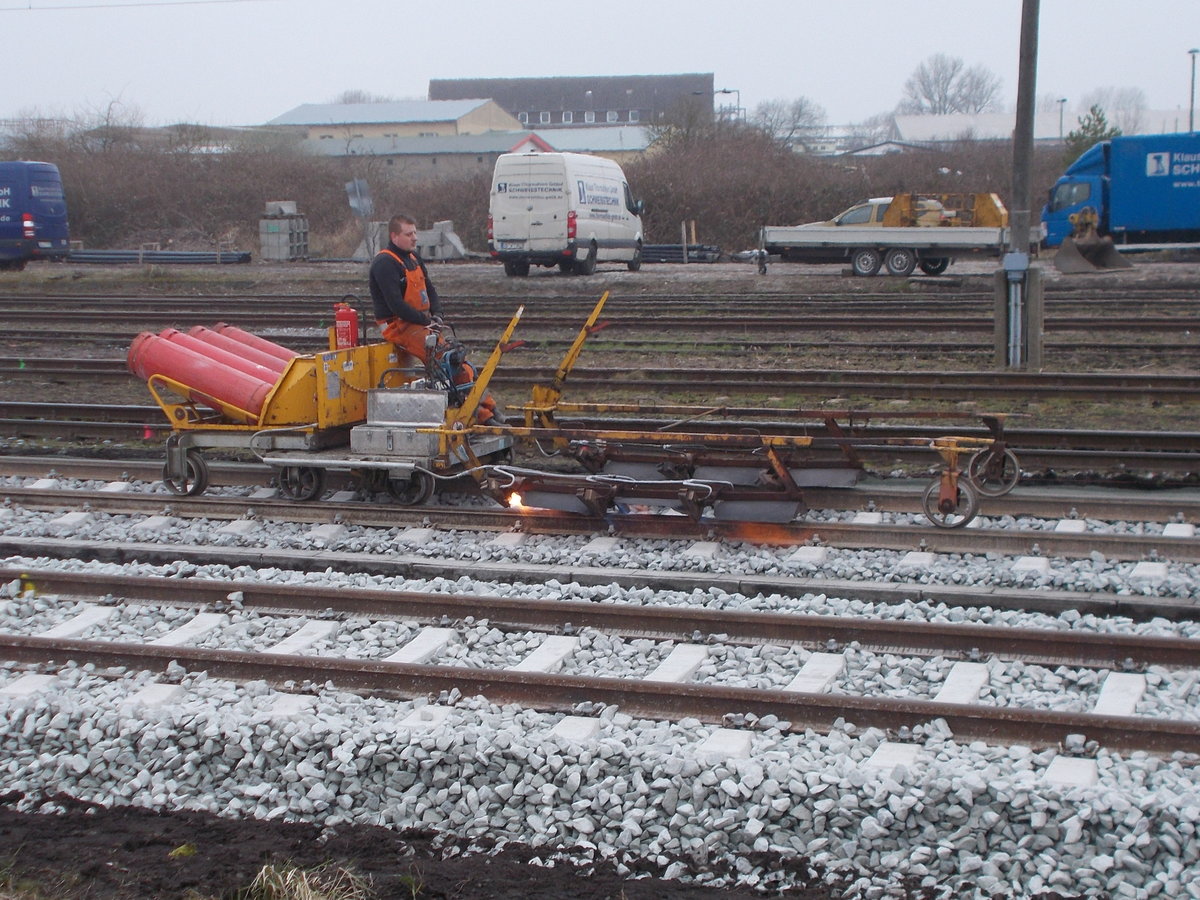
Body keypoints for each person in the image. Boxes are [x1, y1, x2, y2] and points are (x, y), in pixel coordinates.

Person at [368, 214, 501, 425]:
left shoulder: (412, 258)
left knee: (460, 362)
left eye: (415, 233)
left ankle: (490, 408)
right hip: (399, 326)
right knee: (445, 364)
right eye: (409, 234)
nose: (414, 238)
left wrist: (437, 314)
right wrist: (425, 320)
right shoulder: (384, 263)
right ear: (394, 236)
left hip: (420, 323)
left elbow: (430, 289)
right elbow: (396, 305)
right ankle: (483, 417)